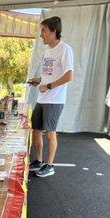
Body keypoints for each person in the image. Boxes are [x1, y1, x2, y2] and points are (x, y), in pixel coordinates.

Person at [28, 16, 74, 177]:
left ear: (54, 31)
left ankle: (50, 165)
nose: (41, 35)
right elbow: (50, 74)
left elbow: (69, 76)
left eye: (44, 31)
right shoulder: (48, 51)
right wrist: (38, 80)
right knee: (36, 131)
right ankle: (39, 161)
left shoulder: (65, 49)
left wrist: (47, 86)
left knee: (50, 133)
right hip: (42, 98)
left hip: (54, 99)